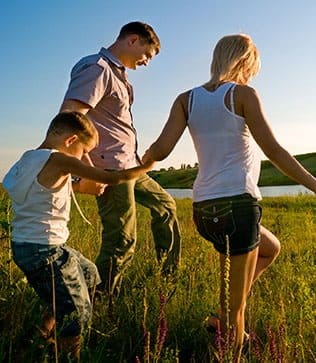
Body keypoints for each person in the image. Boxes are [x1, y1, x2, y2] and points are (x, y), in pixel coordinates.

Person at [142, 34, 316, 362]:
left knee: (271, 248)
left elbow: (161, 150)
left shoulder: (185, 99)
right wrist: (313, 184)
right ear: (245, 61)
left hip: (203, 210)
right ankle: (229, 345)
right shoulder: (243, 95)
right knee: (239, 309)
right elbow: (275, 152)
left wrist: (137, 162)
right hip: (238, 207)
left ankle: (219, 318)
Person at [3, 111, 154, 361]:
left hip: (27, 247)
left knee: (89, 272)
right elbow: (112, 177)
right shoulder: (61, 160)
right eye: (85, 151)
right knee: (77, 314)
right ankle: (67, 354)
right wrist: (148, 164)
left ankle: (41, 335)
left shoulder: (27, 159)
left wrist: (75, 186)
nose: (85, 158)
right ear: (71, 140)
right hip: (46, 252)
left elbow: (39, 189)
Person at [60, 21, 181, 296]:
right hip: (109, 168)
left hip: (131, 166)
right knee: (122, 242)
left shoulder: (119, 76)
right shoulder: (97, 68)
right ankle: (94, 301)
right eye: (147, 54)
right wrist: (87, 171)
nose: (147, 62)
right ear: (133, 40)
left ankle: (168, 276)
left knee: (166, 207)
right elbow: (70, 117)